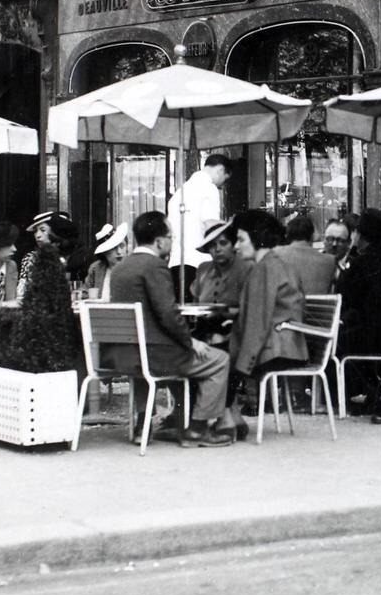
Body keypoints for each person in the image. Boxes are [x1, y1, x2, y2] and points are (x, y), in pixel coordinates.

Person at [98, 211, 233, 447]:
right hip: (155, 357)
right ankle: (198, 429)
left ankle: (147, 423)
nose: (172, 242)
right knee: (219, 360)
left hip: (123, 355)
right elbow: (168, 315)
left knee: (157, 357)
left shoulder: (119, 269)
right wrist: (192, 342)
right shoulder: (155, 267)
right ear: (159, 241)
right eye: (170, 236)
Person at [224, 210, 309, 430]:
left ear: (257, 237)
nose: (235, 246)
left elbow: (256, 323)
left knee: (214, 357)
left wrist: (242, 367)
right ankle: (230, 416)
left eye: (241, 239)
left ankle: (225, 418)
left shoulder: (265, 269)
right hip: (287, 346)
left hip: (275, 350)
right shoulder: (274, 264)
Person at [335, 209, 381, 413]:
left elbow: (344, 297)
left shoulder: (360, 263)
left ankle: (369, 390)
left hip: (369, 337)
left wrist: (350, 255)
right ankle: (376, 389)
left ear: (360, 235)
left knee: (335, 342)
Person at [168, 154, 232, 295]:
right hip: (198, 263)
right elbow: (211, 225)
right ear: (220, 170)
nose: (222, 186)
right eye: (225, 180)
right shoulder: (209, 189)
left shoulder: (180, 192)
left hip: (176, 262)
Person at [17, 211, 78, 298]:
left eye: (43, 230)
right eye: (35, 231)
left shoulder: (74, 257)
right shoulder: (31, 258)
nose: (37, 235)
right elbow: (22, 292)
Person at [276, 215, 337, 295]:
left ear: (288, 235)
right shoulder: (330, 261)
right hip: (318, 307)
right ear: (312, 236)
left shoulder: (274, 255)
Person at [83, 221, 129, 301]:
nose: (119, 251)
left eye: (122, 246)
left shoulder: (133, 267)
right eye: (113, 247)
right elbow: (84, 294)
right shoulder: (96, 268)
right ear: (104, 252)